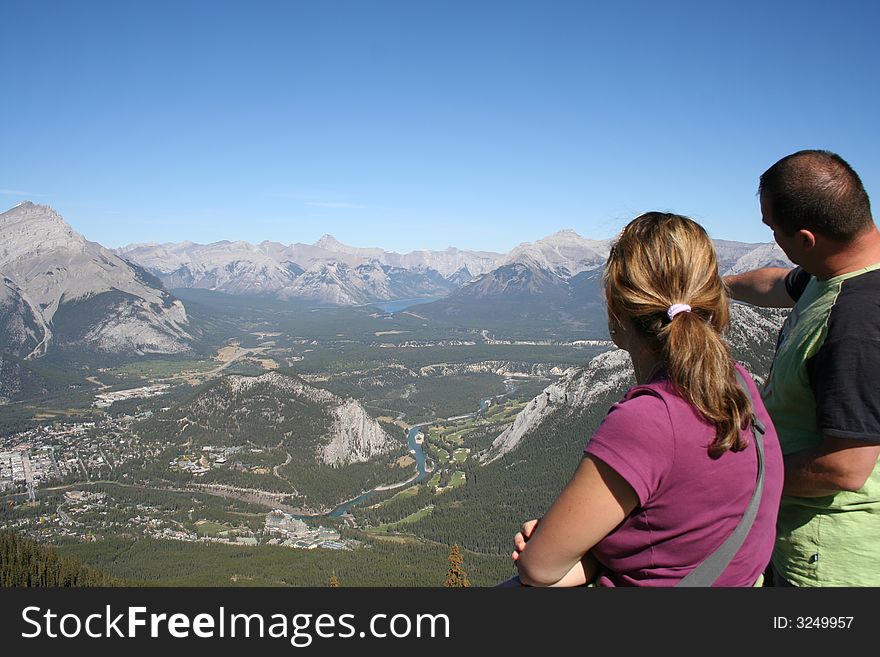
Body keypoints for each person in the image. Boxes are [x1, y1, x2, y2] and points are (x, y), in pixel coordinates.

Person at [512, 212, 784, 586]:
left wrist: (572, 544)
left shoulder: (648, 419)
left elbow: (538, 568)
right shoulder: (737, 384)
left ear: (616, 311)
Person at [724, 150, 880, 587]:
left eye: (774, 229)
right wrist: (713, 286)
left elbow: (845, 467)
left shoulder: (858, 322)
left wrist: (737, 478)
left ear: (806, 239)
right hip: (797, 539)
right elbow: (778, 282)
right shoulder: (835, 272)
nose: (773, 237)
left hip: (828, 562)